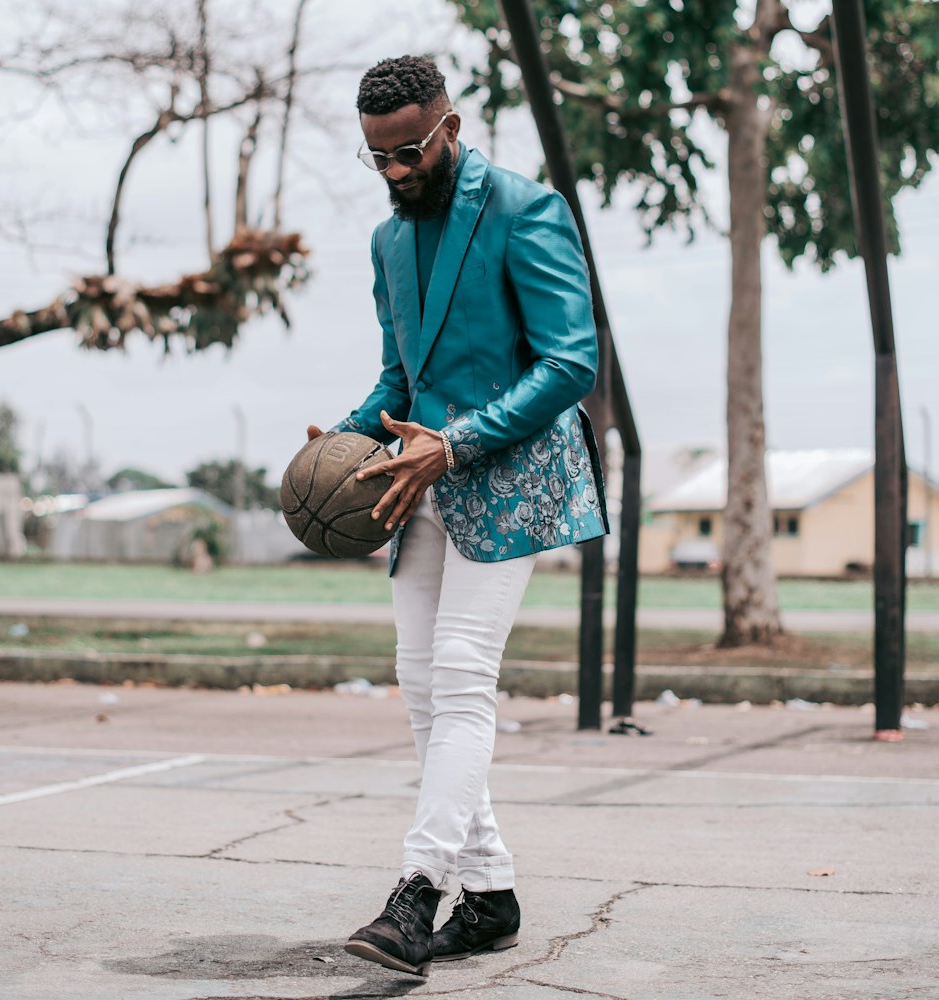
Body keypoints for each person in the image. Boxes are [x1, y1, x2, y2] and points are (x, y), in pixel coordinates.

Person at [306, 55, 607, 978]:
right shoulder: (387, 244)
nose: (395, 172)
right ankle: (490, 895)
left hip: (511, 476)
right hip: (414, 480)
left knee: (465, 676)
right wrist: (344, 438)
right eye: (378, 158)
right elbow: (402, 376)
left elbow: (570, 362)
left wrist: (458, 441)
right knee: (422, 684)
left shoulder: (527, 210)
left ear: (451, 125)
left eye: (409, 152)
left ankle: (417, 892)